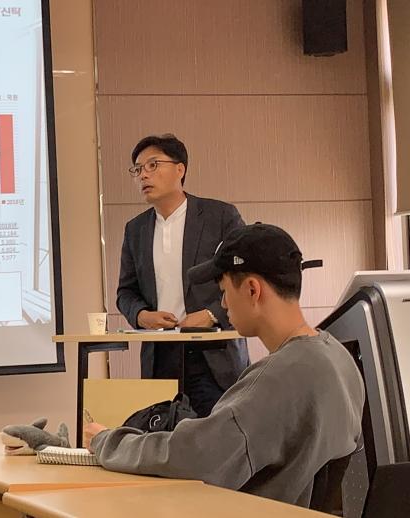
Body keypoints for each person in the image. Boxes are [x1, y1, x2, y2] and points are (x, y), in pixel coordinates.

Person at [86, 223, 365, 508]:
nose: (223, 303)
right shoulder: (339, 358)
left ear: (252, 290)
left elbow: (192, 457)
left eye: (224, 291)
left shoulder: (277, 379)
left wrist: (107, 440)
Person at [117, 133, 248, 417]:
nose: (143, 175)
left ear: (180, 169)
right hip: (161, 356)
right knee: (163, 437)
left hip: (213, 353)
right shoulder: (135, 229)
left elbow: (246, 275)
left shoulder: (220, 216)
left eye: (153, 165)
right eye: (138, 169)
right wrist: (141, 316)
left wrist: (212, 314)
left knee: (219, 436)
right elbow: (125, 292)